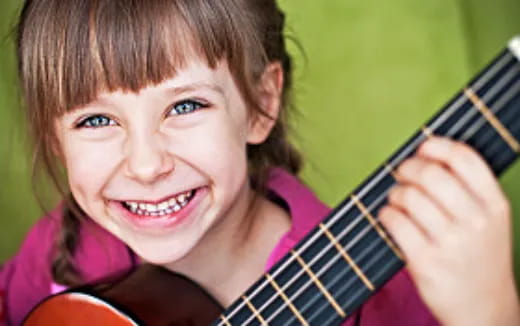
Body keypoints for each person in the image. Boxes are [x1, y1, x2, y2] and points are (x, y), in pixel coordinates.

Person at [1, 0, 519, 325]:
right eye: (95, 120)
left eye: (185, 106)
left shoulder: (390, 296)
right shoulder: (62, 251)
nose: (145, 164)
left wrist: (489, 314)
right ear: (54, 135)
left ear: (260, 104)